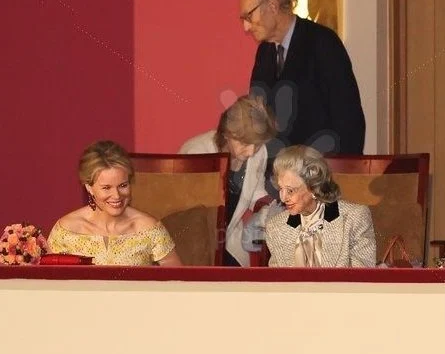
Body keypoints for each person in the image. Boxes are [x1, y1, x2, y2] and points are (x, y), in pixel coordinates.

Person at [239, 0, 366, 155]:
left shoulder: (322, 42)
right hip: (279, 174)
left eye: (249, 16)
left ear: (273, 6)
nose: (247, 27)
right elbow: (259, 117)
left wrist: (342, 174)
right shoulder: (265, 53)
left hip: (320, 171)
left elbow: (348, 118)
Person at [179, 95, 278, 266]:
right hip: (193, 241)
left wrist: (266, 210)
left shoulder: (259, 152)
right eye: (245, 143)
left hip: (228, 239)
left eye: (258, 144)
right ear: (227, 134)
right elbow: (186, 210)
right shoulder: (196, 152)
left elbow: (255, 191)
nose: (251, 152)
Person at [48, 140, 181, 266]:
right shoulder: (66, 230)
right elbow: (47, 283)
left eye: (123, 185)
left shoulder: (149, 228)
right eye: (106, 188)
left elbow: (178, 282)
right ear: (89, 187)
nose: (117, 195)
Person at [265, 145, 376, 267]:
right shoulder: (275, 227)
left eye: (290, 191)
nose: (283, 198)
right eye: (281, 189)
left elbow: (362, 280)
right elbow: (277, 283)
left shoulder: (353, 219)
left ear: (313, 188)